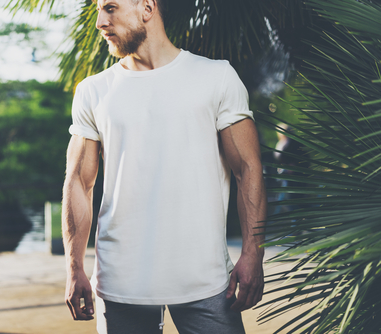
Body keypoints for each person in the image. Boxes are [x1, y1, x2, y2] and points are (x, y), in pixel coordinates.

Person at [62, 0, 267, 333]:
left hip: (206, 281)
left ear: (146, 7)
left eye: (110, 8)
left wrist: (252, 254)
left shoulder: (216, 76)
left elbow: (248, 169)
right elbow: (78, 184)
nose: (100, 22)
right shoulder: (92, 91)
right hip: (120, 282)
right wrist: (74, 268)